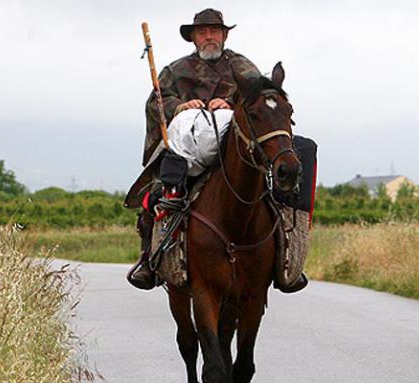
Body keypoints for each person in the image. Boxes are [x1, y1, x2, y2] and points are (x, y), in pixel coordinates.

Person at [128, 8, 308, 293]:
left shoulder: (241, 66)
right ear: (194, 38)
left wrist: (229, 102)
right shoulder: (175, 71)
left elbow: (256, 96)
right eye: (203, 32)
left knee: (290, 164)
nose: (209, 37)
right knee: (162, 184)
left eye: (214, 31)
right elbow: (156, 103)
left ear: (224, 35)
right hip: (190, 145)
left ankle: (288, 252)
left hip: (235, 145)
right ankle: (149, 259)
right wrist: (180, 107)